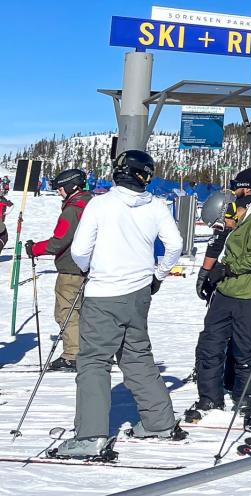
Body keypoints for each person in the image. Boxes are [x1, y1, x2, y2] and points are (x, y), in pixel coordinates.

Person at [47, 150, 185, 460]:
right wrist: (158, 274)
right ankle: (159, 422)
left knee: (94, 361)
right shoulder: (156, 205)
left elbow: (81, 250)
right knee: (137, 356)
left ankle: (91, 435)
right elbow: (175, 245)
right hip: (138, 292)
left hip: (104, 292)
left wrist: (90, 268)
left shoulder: (101, 204)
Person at [186, 192, 251, 422]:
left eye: (223, 220)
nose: (223, 226)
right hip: (226, 293)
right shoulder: (233, 228)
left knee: (243, 347)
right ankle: (210, 396)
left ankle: (245, 395)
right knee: (210, 343)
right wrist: (211, 276)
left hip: (249, 296)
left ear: (231, 211)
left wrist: (226, 268)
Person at [24, 169, 94, 371]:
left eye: (61, 189)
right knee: (86, 311)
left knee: (67, 311)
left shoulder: (73, 209)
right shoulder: (93, 203)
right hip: (92, 268)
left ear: (72, 187)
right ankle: (89, 350)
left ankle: (73, 355)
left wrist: (35, 248)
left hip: (72, 269)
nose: (59, 193)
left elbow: (59, 240)